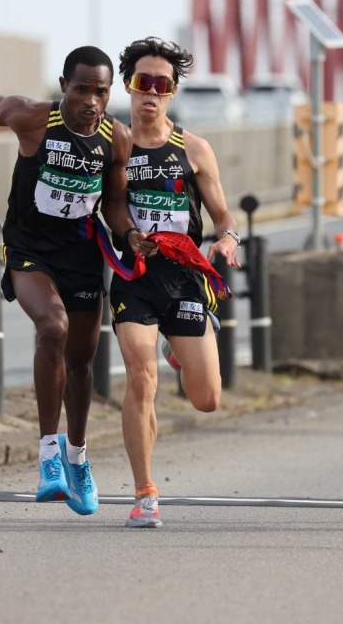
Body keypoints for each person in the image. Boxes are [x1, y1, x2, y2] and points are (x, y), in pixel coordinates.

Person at [0, 47, 133, 516]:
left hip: (83, 255)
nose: (91, 101)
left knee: (83, 363)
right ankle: (49, 454)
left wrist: (130, 233)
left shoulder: (117, 138)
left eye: (101, 92)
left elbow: (112, 203)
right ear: (63, 86)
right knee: (52, 326)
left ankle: (77, 457)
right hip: (29, 250)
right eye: (81, 89)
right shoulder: (31, 118)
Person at [107, 38, 241, 528]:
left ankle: (179, 345)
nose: (152, 93)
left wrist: (228, 241)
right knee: (141, 379)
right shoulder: (115, 143)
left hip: (185, 280)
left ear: (173, 92)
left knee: (207, 399)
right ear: (129, 85)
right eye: (144, 82)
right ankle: (144, 493)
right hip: (135, 275)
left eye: (162, 85)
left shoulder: (194, 149)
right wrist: (129, 234)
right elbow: (112, 203)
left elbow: (225, 216)